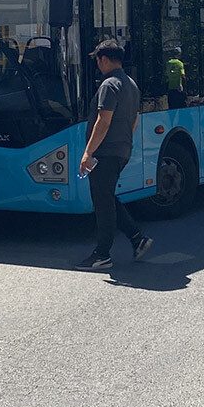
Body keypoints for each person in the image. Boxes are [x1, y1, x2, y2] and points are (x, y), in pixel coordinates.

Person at [75, 39, 153, 271]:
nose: (97, 65)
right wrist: (124, 141)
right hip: (121, 150)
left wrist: (88, 153)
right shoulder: (130, 84)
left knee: (103, 203)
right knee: (106, 197)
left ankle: (102, 254)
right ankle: (137, 239)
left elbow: (103, 120)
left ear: (105, 59)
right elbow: (134, 120)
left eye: (98, 60)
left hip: (105, 152)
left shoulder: (109, 85)